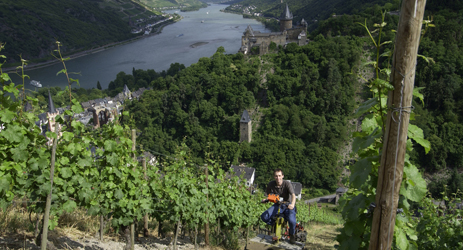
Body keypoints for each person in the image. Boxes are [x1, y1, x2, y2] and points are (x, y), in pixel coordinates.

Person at [261, 168, 297, 244]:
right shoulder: (271, 184)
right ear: (274, 177)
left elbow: (293, 195)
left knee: (292, 221)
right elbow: (268, 196)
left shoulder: (287, 184)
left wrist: (292, 204)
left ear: (282, 176)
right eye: (276, 176)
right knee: (264, 216)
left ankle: (292, 234)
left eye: (279, 176)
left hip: (288, 205)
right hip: (278, 205)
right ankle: (273, 224)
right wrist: (265, 200)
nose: (278, 178)